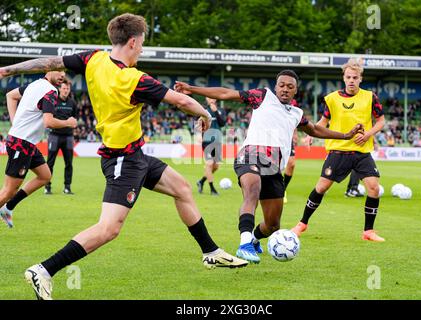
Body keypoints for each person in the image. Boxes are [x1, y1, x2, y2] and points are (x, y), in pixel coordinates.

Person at [0, 13, 247, 300]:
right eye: (141, 44)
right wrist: (204, 112)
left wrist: (8, 71)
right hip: (122, 160)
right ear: (132, 41)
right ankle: (43, 270)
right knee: (108, 229)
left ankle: (210, 251)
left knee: (181, 188)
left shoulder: (93, 59)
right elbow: (180, 100)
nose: (141, 50)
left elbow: (50, 62)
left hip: (135, 155)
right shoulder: (134, 79)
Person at [175, 70, 363, 264]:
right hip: (250, 156)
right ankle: (245, 243)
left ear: (295, 91)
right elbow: (226, 93)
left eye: (290, 87)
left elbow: (314, 129)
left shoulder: (297, 114)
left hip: (273, 169)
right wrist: (191, 88)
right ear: (275, 87)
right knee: (252, 191)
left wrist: (346, 135)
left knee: (273, 225)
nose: (285, 89)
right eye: (281, 85)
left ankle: (255, 239)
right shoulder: (263, 96)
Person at [291, 58, 386, 242]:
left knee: (374, 188)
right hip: (338, 151)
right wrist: (311, 133)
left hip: (361, 152)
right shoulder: (332, 99)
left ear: (360, 79)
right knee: (321, 187)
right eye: (348, 77)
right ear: (343, 78)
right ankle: (302, 224)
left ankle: (368, 231)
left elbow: (381, 120)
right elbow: (323, 121)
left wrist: (368, 135)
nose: (351, 80)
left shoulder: (370, 97)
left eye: (355, 77)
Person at [0, 71, 77, 228]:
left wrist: (16, 123)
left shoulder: (34, 84)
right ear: (48, 69)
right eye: (58, 69)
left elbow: (11, 95)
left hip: (26, 143)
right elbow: (48, 122)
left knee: (45, 176)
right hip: (21, 144)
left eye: (64, 70)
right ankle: (6, 205)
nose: (62, 74)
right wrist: (68, 122)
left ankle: (8, 208)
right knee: (8, 191)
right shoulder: (50, 91)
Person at [44, 78, 78, 195]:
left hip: (68, 136)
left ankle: (67, 188)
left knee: (69, 163)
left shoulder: (72, 103)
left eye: (67, 88)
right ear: (60, 89)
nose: (65, 90)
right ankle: (47, 187)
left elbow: (74, 118)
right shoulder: (54, 101)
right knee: (50, 163)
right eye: (63, 88)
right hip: (54, 135)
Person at [196, 97, 226, 196]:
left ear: (216, 99)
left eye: (213, 97)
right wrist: (198, 134)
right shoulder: (203, 111)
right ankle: (212, 189)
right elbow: (198, 124)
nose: (211, 99)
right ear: (206, 99)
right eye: (209, 97)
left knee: (216, 166)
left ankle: (201, 181)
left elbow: (222, 124)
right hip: (207, 141)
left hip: (217, 141)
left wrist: (216, 111)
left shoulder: (221, 110)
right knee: (209, 163)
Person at [283, 129, 297, 204]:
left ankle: (282, 190)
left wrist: (294, 134)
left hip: (287, 136)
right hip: (272, 135)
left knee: (291, 164)